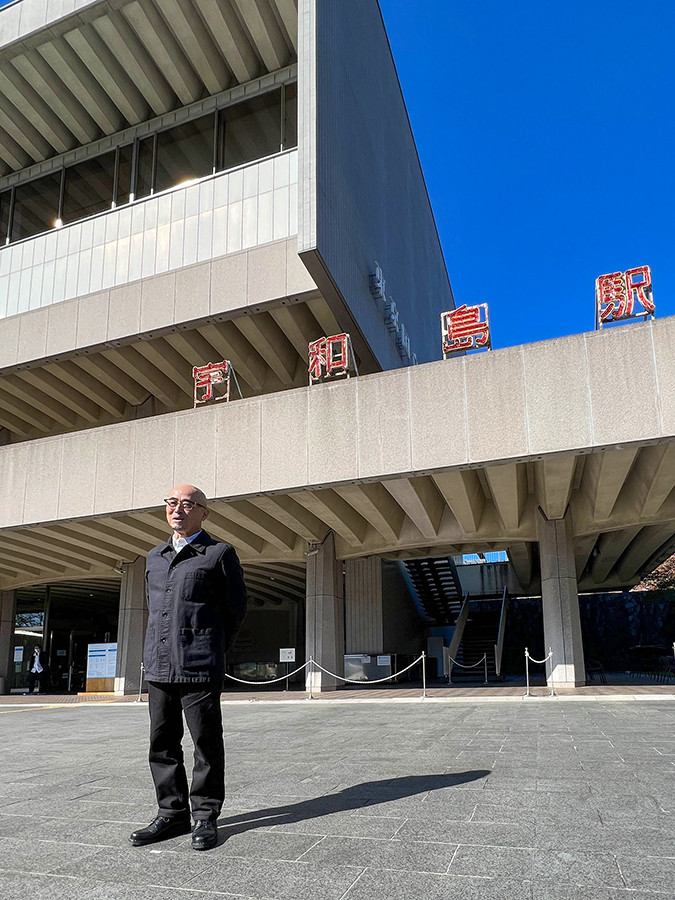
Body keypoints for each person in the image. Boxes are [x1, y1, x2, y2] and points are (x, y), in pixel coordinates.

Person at [130, 484, 247, 851]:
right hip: (159, 668)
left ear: (203, 513)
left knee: (206, 745)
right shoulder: (154, 556)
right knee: (161, 744)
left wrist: (210, 649)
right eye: (171, 503)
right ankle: (171, 814)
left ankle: (205, 816)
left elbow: (235, 609)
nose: (177, 509)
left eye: (187, 504)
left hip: (199, 666)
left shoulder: (218, 554)